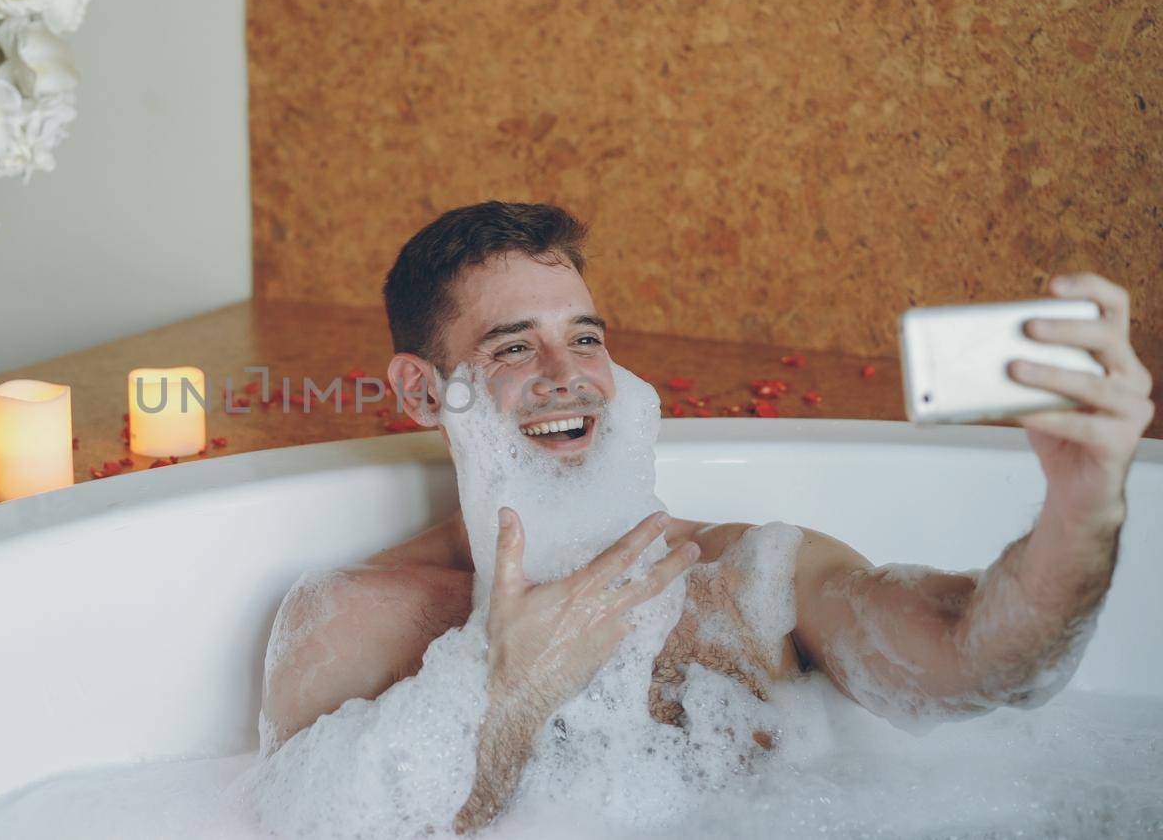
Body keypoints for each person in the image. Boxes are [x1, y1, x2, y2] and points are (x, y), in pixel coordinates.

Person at [257, 202, 1155, 833]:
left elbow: (978, 662)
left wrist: (1084, 506)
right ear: (422, 389)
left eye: (585, 337)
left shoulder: (740, 580)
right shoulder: (355, 618)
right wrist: (505, 700)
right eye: (513, 347)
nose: (568, 375)